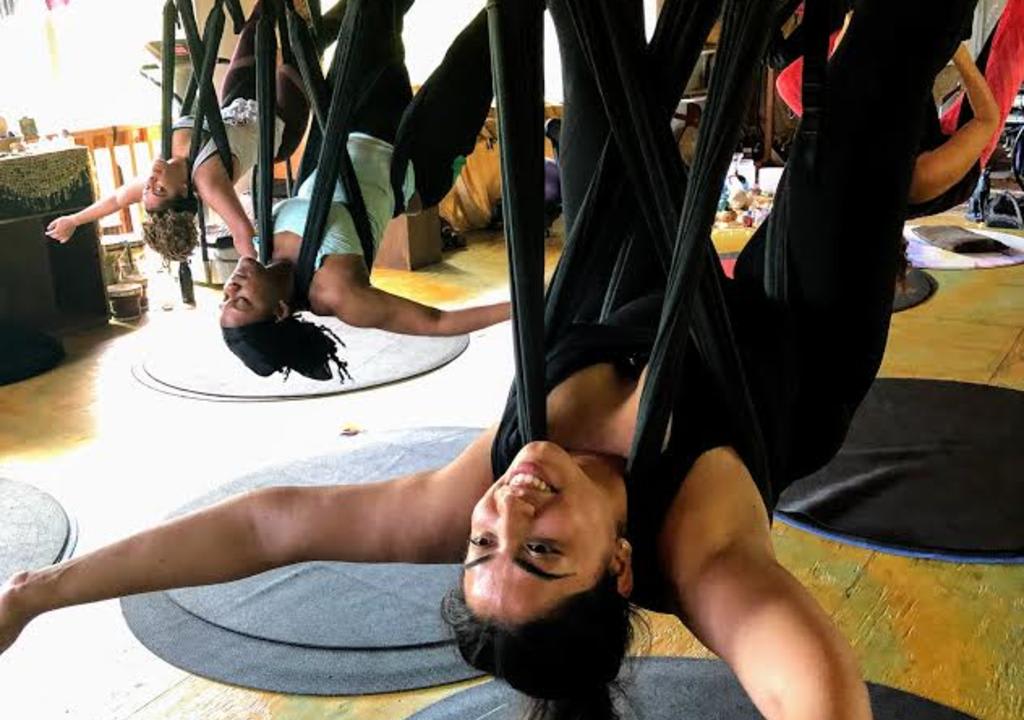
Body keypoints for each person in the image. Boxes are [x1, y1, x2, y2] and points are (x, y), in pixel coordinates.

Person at [1, 0, 976, 718]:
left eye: (480, 544)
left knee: (589, 40)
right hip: (790, 349)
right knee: (857, 109)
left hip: (620, 286)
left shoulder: (489, 483)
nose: (506, 510)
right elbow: (814, 697)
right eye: (544, 551)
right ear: (623, 569)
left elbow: (271, 527)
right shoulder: (707, 560)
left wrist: (43, 595)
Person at [219, 4, 510, 380]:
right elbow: (437, 322)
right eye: (241, 300)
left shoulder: (259, 248)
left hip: (347, 122)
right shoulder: (336, 293)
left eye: (225, 297)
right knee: (488, 38)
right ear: (278, 311)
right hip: (415, 160)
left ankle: (326, 28)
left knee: (373, 13)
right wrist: (525, 307)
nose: (232, 286)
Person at [45, 2, 310, 261]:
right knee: (297, 42)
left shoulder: (160, 170)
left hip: (238, 105)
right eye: (159, 189)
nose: (150, 182)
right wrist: (256, 278)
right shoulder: (207, 179)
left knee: (257, 23)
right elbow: (243, 233)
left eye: (148, 189)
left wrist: (74, 220)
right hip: (280, 124)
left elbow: (117, 198)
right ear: (184, 190)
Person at [774, 6, 1000, 219]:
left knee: (789, 82)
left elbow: (841, 74)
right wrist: (959, 53)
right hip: (961, 166)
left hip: (872, 133)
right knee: (1007, 47)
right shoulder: (920, 178)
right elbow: (987, 120)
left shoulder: (841, 135)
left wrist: (847, 32)